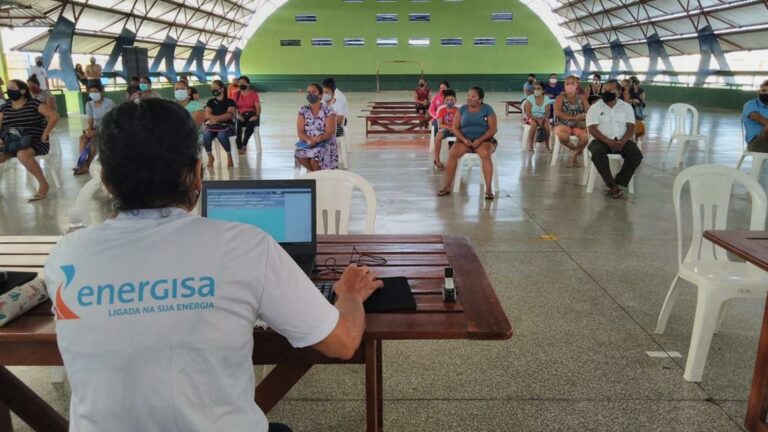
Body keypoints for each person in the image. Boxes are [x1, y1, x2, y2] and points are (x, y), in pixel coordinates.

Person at [44, 97, 383, 432]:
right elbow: (342, 342)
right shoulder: (245, 247)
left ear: (106, 182)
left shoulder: (67, 257)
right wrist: (349, 294)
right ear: (196, 173)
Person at [0, 79, 59, 201]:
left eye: (12, 88)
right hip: (12, 142)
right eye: (8, 88)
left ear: (22, 90)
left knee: (22, 153)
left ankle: (43, 184)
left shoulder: (34, 104)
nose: (8, 91)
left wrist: (46, 132)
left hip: (35, 142)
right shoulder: (5, 108)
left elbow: (54, 116)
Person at [438, 87, 498, 200]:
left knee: (485, 153)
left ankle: (489, 189)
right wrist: (464, 139)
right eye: (468, 95)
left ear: (480, 100)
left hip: (484, 140)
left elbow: (493, 129)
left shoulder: (487, 109)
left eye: (473, 96)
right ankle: (447, 186)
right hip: (464, 140)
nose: (469, 98)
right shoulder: (462, 109)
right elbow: (455, 128)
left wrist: (479, 140)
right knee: (453, 152)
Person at [586, 79, 643, 199]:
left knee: (636, 154)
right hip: (600, 140)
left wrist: (623, 140)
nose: (606, 92)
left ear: (617, 92)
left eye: (609, 90)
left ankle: (619, 182)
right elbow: (592, 128)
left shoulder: (626, 107)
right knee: (597, 153)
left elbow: (631, 126)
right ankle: (611, 185)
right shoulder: (595, 107)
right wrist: (608, 141)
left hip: (621, 140)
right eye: (604, 90)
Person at [295, 83, 338, 172]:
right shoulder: (303, 110)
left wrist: (318, 139)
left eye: (314, 92)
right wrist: (309, 140)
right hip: (308, 142)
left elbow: (330, 131)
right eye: (308, 92)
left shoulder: (328, 110)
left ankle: (317, 181)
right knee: (300, 156)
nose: (310, 94)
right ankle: (318, 177)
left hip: (325, 142)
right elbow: (300, 131)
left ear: (320, 95)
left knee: (315, 160)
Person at [74, 83, 115, 175]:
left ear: (101, 92)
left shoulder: (109, 103)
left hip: (108, 129)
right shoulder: (89, 104)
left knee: (95, 140)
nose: (93, 93)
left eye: (95, 91)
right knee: (83, 138)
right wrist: (88, 130)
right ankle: (82, 163)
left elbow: (108, 121)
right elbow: (90, 120)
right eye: (91, 92)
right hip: (95, 128)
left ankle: (87, 164)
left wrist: (95, 132)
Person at [553, 75, 590, 167]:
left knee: (586, 137)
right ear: (564, 85)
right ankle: (574, 148)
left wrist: (583, 118)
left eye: (572, 83)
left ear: (576, 85)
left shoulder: (582, 98)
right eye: (567, 83)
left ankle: (574, 155)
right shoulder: (560, 98)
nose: (570, 85)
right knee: (563, 136)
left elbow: (588, 111)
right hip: (562, 123)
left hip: (578, 125)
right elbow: (558, 113)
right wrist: (574, 117)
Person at [203, 80, 236, 168]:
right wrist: (212, 118)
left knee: (221, 135)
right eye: (212, 88)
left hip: (228, 126)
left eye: (215, 88)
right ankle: (210, 156)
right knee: (205, 135)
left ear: (221, 89)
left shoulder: (230, 101)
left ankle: (229, 155)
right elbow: (206, 114)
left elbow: (229, 115)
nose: (213, 90)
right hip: (213, 126)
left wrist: (214, 118)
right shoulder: (210, 101)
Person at [234, 76, 261, 154]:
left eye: (243, 83)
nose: (241, 84)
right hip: (241, 115)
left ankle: (244, 143)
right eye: (240, 83)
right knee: (237, 126)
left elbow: (258, 108)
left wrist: (256, 116)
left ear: (248, 84)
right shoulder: (236, 94)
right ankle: (239, 147)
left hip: (252, 114)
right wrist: (237, 115)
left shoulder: (253, 94)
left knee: (250, 124)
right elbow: (233, 107)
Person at [432, 89, 458, 170]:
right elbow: (441, 125)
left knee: (459, 138)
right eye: (447, 100)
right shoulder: (441, 110)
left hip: (456, 129)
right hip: (446, 129)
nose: (449, 101)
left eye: (452, 99)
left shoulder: (458, 110)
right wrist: (450, 128)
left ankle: (454, 160)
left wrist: (455, 129)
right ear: (444, 100)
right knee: (438, 135)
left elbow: (461, 122)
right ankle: (437, 159)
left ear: (455, 100)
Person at [524, 81, 552, 152]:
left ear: (543, 90)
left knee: (547, 125)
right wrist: (536, 119)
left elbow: (548, 113)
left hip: (543, 117)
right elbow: (528, 113)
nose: (536, 90)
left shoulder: (546, 99)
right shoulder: (530, 98)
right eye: (535, 88)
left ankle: (547, 145)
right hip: (531, 117)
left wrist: (542, 119)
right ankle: (530, 145)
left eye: (538, 88)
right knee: (533, 124)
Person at [743, 79, 768, 153]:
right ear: (758, 91)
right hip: (755, 144)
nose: (766, 93)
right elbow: (757, 117)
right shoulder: (750, 104)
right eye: (763, 90)